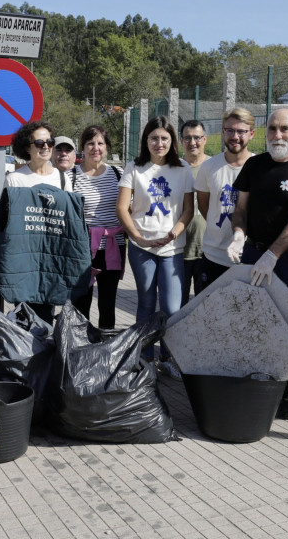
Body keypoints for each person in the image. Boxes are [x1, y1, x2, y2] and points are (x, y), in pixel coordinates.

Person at [231, 107, 288, 419]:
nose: (277, 135)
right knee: (253, 319)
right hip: (253, 254)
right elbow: (240, 208)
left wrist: (273, 254)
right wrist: (238, 235)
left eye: (285, 129)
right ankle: (257, 380)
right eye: (272, 129)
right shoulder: (254, 165)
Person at [117, 116, 194, 380]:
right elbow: (122, 208)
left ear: (172, 141)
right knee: (146, 304)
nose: (158, 143)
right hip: (142, 247)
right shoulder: (134, 167)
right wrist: (137, 237)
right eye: (153, 138)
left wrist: (176, 231)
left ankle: (169, 357)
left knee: (173, 308)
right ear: (145, 140)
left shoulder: (183, 168)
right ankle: (143, 358)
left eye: (164, 138)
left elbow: (188, 210)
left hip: (172, 248)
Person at [3, 121, 74, 323]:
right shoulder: (15, 179)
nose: (46, 147)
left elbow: (67, 220)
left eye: (49, 142)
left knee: (46, 314)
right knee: (24, 313)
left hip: (51, 258)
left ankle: (44, 353)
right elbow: (9, 223)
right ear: (27, 146)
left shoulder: (62, 179)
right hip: (25, 260)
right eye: (39, 142)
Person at [70, 125, 125, 329]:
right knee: (81, 304)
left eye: (100, 143)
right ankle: (80, 349)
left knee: (108, 304)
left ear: (107, 147)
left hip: (113, 247)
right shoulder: (70, 176)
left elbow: (130, 208)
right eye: (90, 143)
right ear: (82, 147)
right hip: (82, 249)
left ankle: (104, 352)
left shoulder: (119, 174)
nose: (95, 148)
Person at [194, 108, 255, 290]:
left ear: (251, 134)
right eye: (230, 130)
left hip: (247, 258)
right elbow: (205, 206)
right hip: (213, 255)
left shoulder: (259, 167)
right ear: (223, 132)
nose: (235, 136)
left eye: (241, 131)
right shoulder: (209, 167)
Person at [179, 120, 210, 305]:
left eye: (197, 137)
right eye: (188, 138)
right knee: (176, 307)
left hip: (206, 250)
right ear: (181, 141)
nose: (192, 142)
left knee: (204, 305)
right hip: (177, 250)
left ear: (204, 139)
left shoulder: (214, 167)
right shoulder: (173, 168)